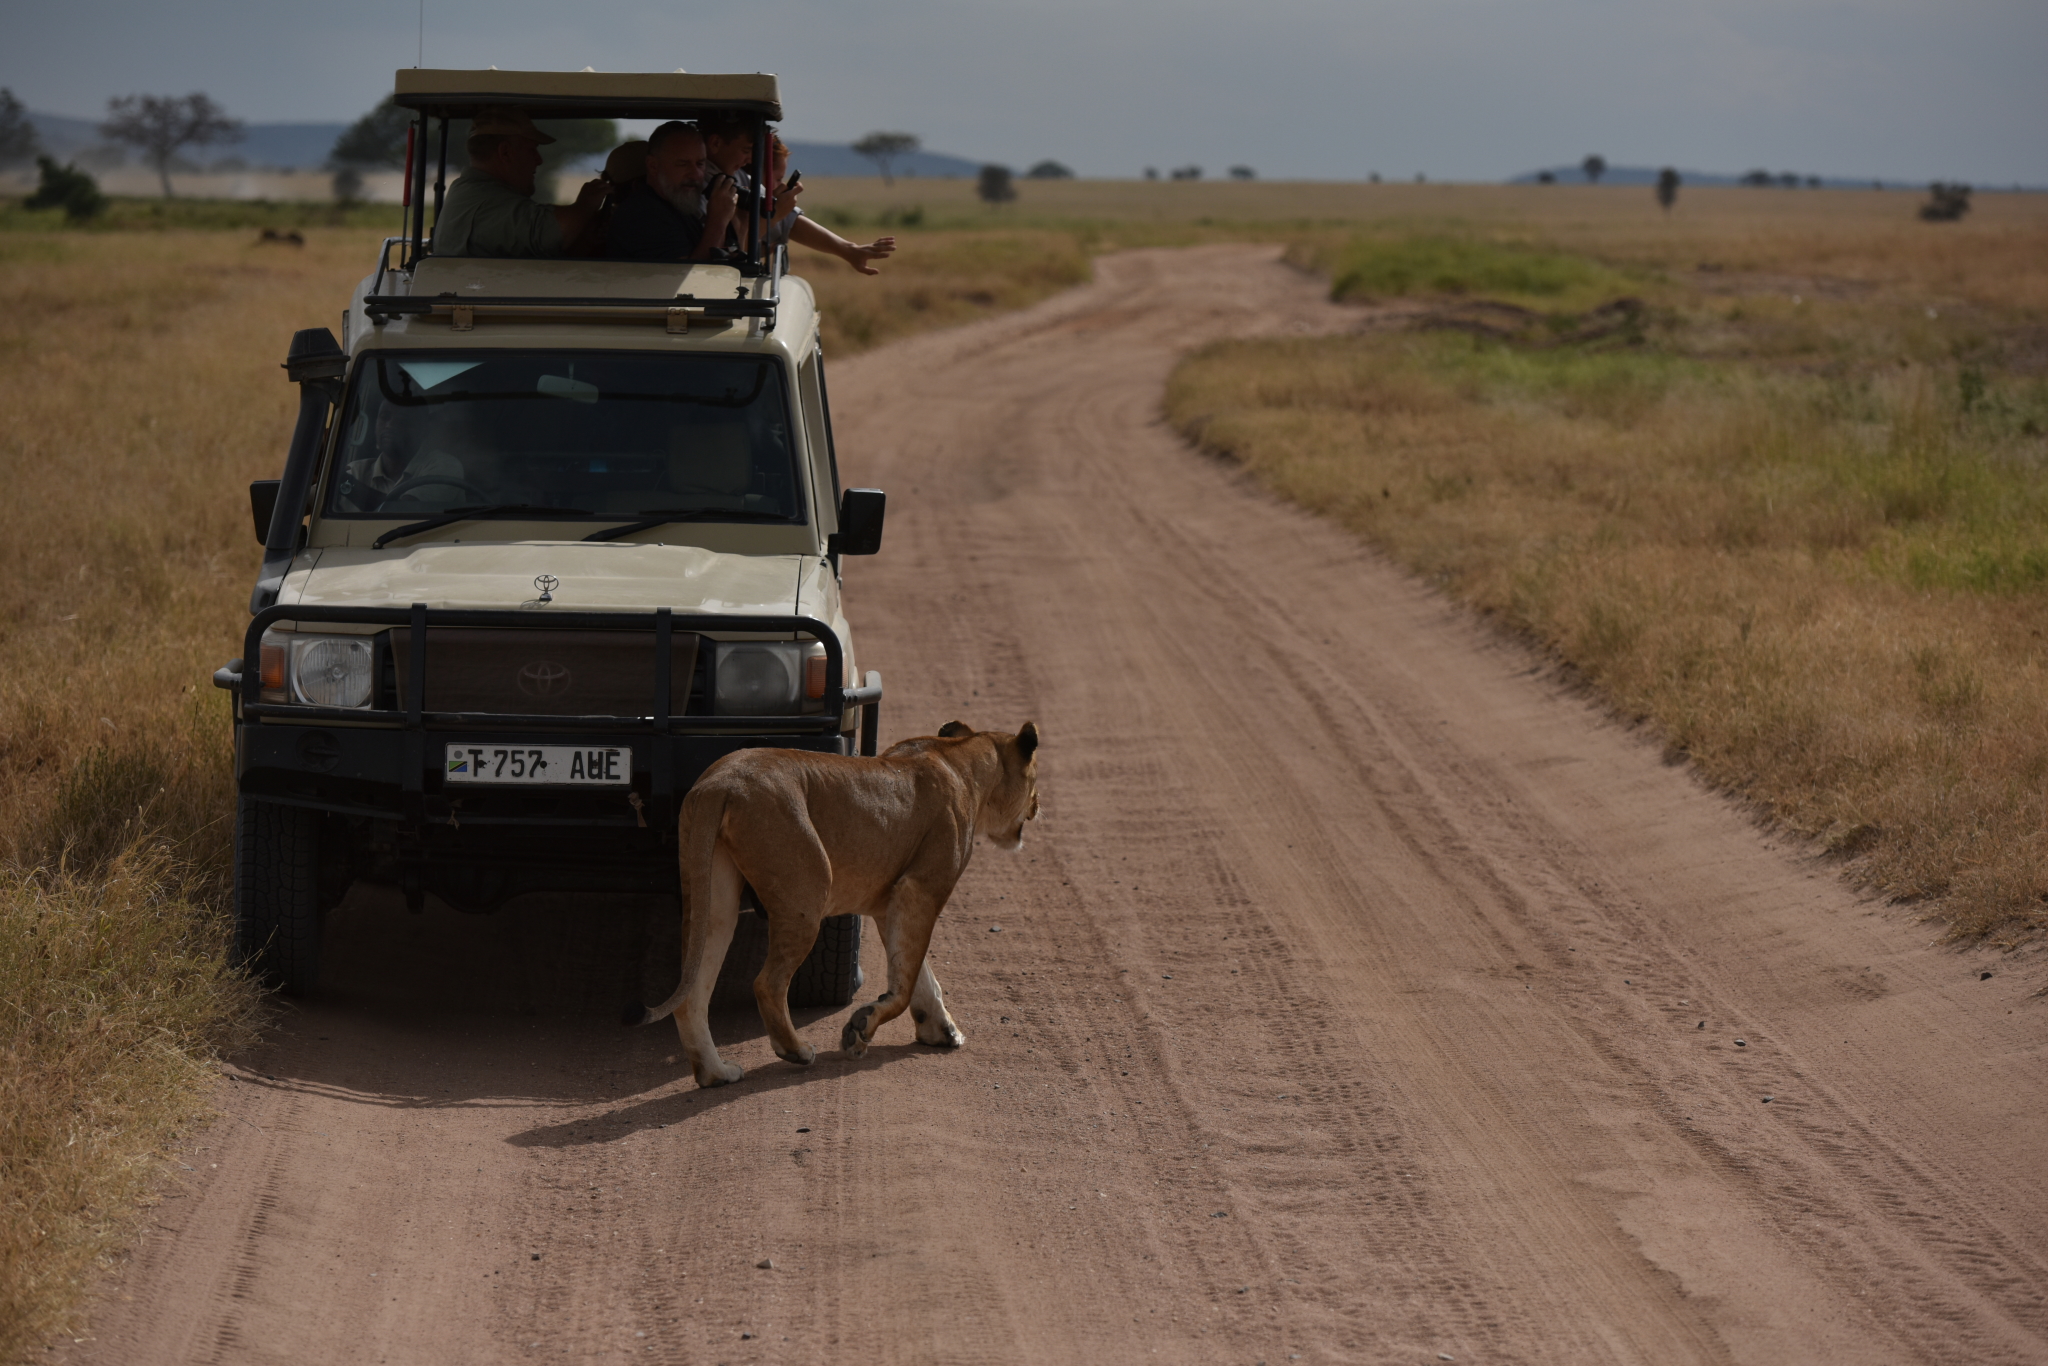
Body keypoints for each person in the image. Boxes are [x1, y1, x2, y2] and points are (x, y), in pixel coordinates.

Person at [696, 114, 897, 274]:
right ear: (715, 143)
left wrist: (848, 250)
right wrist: (774, 216)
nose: (749, 159)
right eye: (746, 150)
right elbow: (734, 248)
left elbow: (789, 222)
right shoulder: (695, 184)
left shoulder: (735, 176)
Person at [430, 107, 606, 259]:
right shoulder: (487, 204)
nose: (539, 160)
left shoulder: (470, 192)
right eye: (532, 150)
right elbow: (553, 231)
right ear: (505, 153)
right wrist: (586, 204)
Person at [606, 121, 742, 263]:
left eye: (700, 164)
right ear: (653, 165)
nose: (695, 174)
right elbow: (690, 278)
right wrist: (718, 220)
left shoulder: (677, 207)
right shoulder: (645, 215)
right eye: (683, 164)